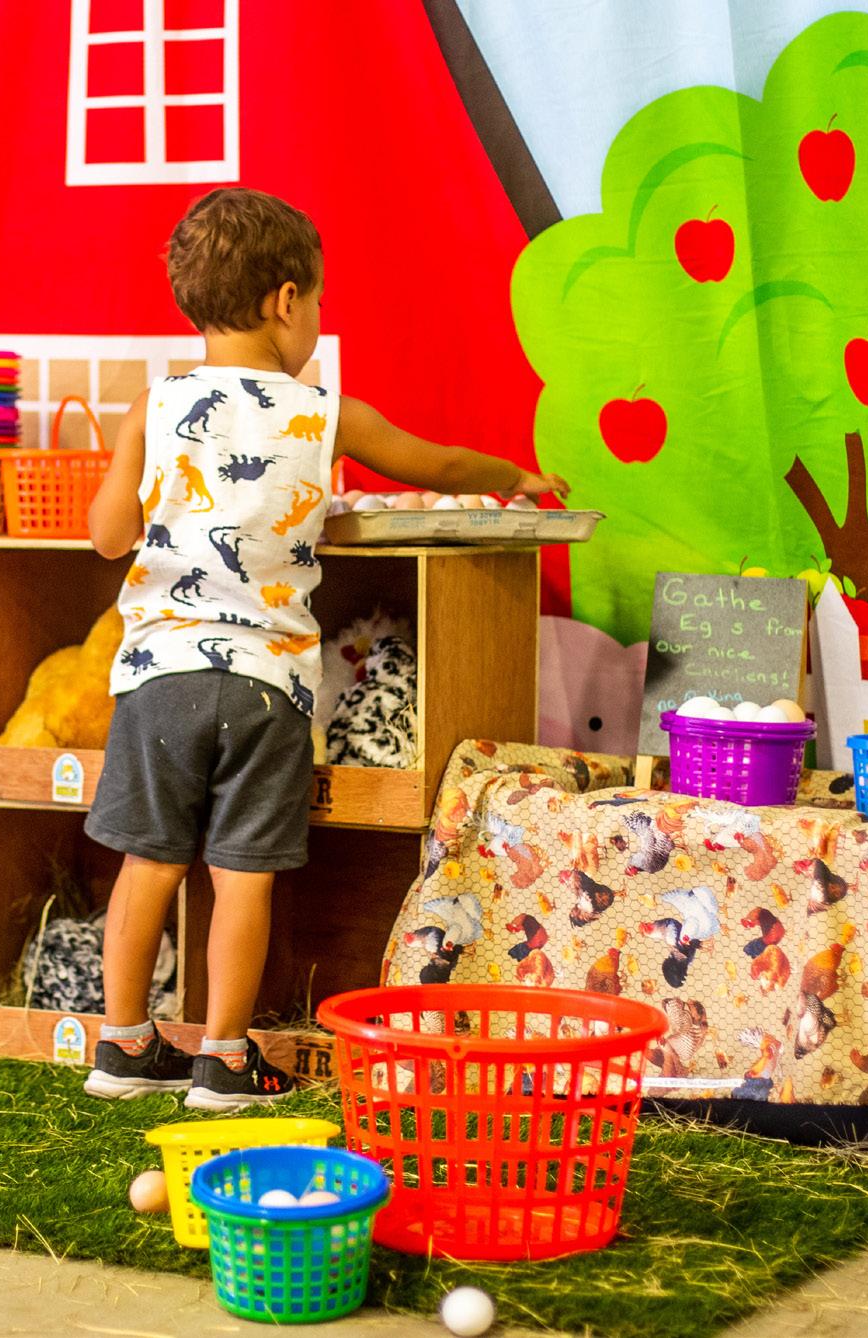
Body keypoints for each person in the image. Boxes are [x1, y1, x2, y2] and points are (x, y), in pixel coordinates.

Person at [82, 187, 568, 1109]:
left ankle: (123, 1044)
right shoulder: (323, 412)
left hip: (158, 678)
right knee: (242, 874)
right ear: (286, 301)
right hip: (263, 685)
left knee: (148, 860)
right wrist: (515, 475)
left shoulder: (157, 404)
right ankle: (224, 1059)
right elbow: (431, 463)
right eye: (318, 302)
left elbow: (109, 536)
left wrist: (142, 479)